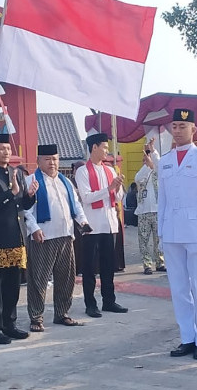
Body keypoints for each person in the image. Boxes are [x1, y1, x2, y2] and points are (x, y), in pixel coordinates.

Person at [158, 108, 197, 360]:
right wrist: (161, 233)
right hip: (171, 230)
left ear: (194, 129)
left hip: (196, 230)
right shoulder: (165, 160)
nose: (178, 130)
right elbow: (162, 200)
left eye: (183, 126)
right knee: (179, 287)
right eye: (175, 126)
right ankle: (187, 337)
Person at [0, 133, 37, 344]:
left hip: (15, 236)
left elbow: (22, 205)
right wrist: (11, 193)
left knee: (13, 285)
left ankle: (9, 324)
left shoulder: (16, 173)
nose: (6, 152)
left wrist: (29, 195)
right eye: (2, 148)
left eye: (8, 149)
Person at [23, 144, 88, 331]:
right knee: (39, 279)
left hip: (66, 235)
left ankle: (62, 313)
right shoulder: (31, 181)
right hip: (43, 236)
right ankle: (36, 317)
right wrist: (34, 228)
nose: (52, 163)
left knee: (66, 278)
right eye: (47, 159)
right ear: (38, 161)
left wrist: (82, 222)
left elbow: (75, 205)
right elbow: (25, 211)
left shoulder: (65, 181)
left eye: (55, 159)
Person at [75, 133, 127, 317]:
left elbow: (118, 198)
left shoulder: (110, 170)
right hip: (92, 225)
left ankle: (109, 301)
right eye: (104, 147)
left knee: (108, 266)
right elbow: (87, 197)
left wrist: (118, 187)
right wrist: (109, 188)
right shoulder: (82, 171)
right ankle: (90, 304)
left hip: (109, 223)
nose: (107, 151)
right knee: (89, 268)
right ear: (94, 147)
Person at [134, 138, 165, 275]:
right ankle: (147, 264)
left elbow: (159, 165)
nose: (147, 158)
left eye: (149, 155)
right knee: (144, 240)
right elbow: (138, 179)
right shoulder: (142, 173)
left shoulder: (159, 173)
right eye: (146, 156)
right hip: (144, 212)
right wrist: (148, 166)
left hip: (158, 211)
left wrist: (153, 151)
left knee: (159, 239)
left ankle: (160, 262)